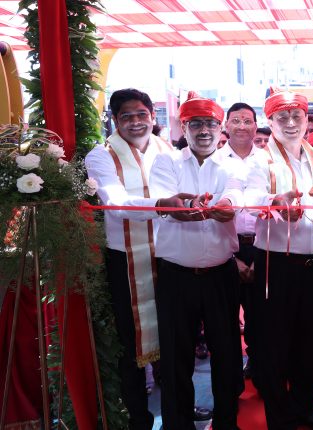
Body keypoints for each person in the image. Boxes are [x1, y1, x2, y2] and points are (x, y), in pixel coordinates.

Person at [149, 92, 246, 430]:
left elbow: (235, 193)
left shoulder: (232, 164)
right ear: (185, 128)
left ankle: (227, 422)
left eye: (210, 124)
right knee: (176, 357)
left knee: (227, 354)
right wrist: (183, 207)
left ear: (220, 128)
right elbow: (163, 199)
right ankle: (178, 424)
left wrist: (227, 205)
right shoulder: (167, 162)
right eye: (196, 124)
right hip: (176, 276)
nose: (204, 131)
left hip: (221, 274)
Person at [85, 88, 177, 430]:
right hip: (125, 261)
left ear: (152, 116)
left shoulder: (167, 150)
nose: (136, 122)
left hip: (168, 255)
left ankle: (177, 412)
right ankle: (138, 418)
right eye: (127, 116)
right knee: (130, 343)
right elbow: (115, 203)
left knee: (174, 337)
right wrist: (162, 206)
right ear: (114, 120)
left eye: (142, 114)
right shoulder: (101, 156)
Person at [243, 88, 313, 430]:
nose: (291, 123)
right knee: (275, 345)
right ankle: (279, 416)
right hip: (276, 265)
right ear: (270, 121)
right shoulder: (259, 160)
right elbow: (250, 197)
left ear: (307, 120)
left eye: (297, 116)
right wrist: (274, 202)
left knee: (311, 342)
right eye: (283, 117)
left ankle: (304, 407)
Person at [217, 102, 261, 383]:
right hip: (225, 250)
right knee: (225, 320)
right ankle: (231, 379)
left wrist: (261, 254)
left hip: (263, 247)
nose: (242, 126)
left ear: (256, 126)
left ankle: (260, 369)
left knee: (261, 316)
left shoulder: (268, 160)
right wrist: (232, 257)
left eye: (247, 121)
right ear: (226, 125)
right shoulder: (215, 160)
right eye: (236, 120)